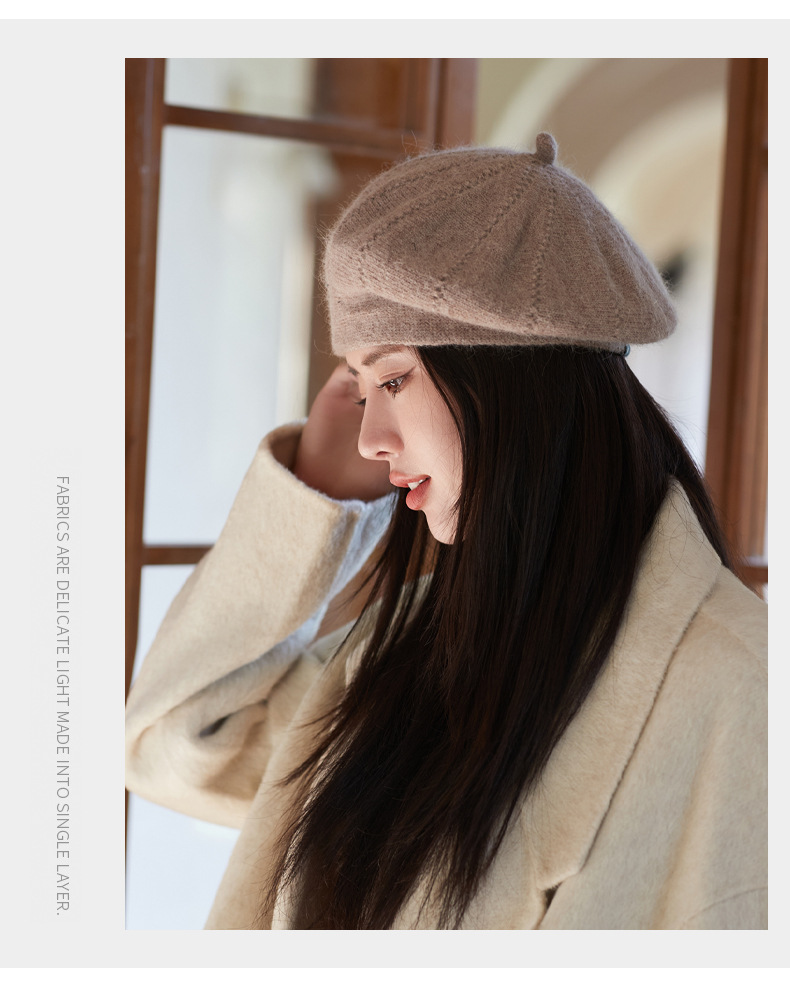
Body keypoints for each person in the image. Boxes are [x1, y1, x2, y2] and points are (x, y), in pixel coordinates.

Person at [125, 133, 767, 930]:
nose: (370, 438)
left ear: (514, 379)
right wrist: (313, 495)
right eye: (361, 388)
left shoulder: (741, 688)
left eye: (393, 378)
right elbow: (170, 741)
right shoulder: (404, 652)